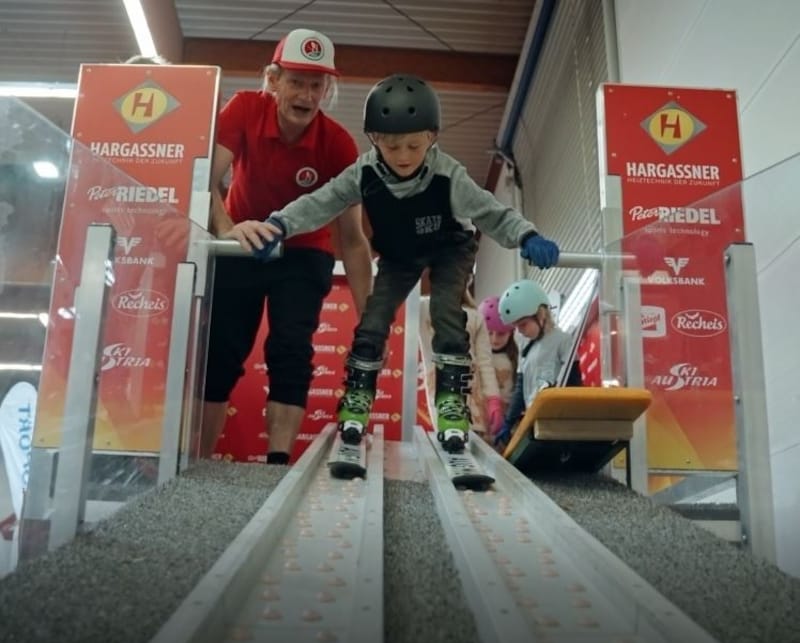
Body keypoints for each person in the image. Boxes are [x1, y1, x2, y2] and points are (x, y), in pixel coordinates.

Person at [248, 73, 560, 453]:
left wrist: (527, 236)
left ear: (432, 137)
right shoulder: (363, 173)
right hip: (399, 253)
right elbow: (321, 201)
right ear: (374, 140)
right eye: (392, 147)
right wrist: (280, 223)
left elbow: (491, 212)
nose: (404, 157)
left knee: (447, 313)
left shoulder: (449, 174)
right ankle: (357, 403)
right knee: (373, 321)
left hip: (450, 248)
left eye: (414, 145)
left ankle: (450, 405)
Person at [201, 28, 373, 463]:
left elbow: (352, 241)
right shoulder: (242, 109)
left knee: (291, 349)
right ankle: (197, 462)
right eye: (296, 81)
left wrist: (371, 319)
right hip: (242, 240)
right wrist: (226, 230)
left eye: (317, 85)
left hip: (303, 250)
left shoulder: (338, 144)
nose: (307, 94)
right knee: (221, 351)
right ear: (273, 80)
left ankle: (278, 461)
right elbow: (204, 181)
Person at [493, 279, 575, 451]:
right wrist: (508, 422)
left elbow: (575, 382)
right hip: (534, 421)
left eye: (523, 324)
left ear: (541, 314)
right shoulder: (526, 348)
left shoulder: (563, 341)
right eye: (516, 327)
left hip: (558, 422)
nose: (520, 331)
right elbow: (520, 389)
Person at [419, 283, 503, 444]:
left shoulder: (475, 316)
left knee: (465, 452)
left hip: (472, 401)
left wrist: (493, 399)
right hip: (442, 394)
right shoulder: (423, 308)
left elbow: (485, 363)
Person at [477, 295, 519, 420]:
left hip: (505, 418)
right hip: (480, 417)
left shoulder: (515, 358)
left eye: (501, 334)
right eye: (489, 333)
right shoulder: (477, 357)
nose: (494, 339)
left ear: (511, 333)